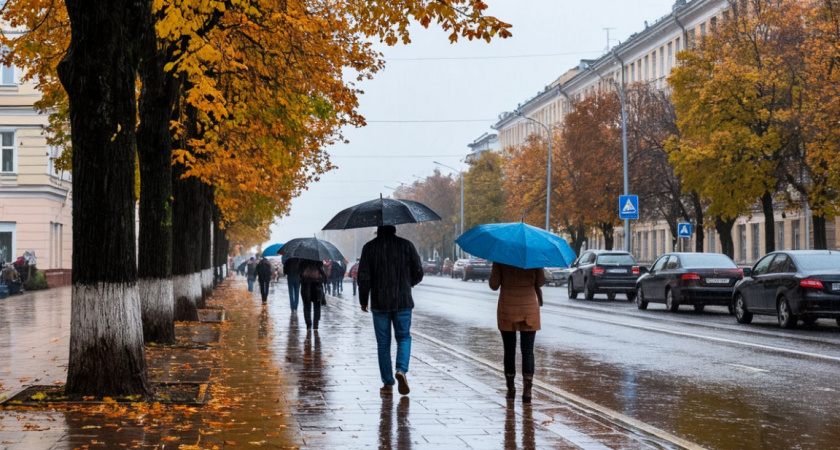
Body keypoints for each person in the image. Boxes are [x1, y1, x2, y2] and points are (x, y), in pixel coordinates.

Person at [358, 225, 423, 396]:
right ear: (394, 228)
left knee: (383, 343)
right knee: (404, 337)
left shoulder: (369, 248)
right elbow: (418, 271)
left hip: (380, 302)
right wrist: (407, 284)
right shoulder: (406, 245)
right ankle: (401, 369)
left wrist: (363, 300)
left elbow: (363, 277)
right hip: (403, 300)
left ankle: (387, 383)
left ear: (378, 230)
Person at [488, 262, 545, 403]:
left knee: (509, 349)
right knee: (528, 350)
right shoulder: (533, 257)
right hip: (529, 310)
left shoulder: (501, 258)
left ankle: (511, 387)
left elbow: (493, 285)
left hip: (507, 308)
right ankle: (527, 389)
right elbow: (541, 282)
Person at [299, 259, 327, 330]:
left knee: (306, 306)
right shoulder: (318, 262)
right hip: (316, 286)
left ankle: (308, 324)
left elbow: (299, 275)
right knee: (317, 306)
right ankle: (316, 325)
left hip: (306, 286)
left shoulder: (302, 261)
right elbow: (324, 278)